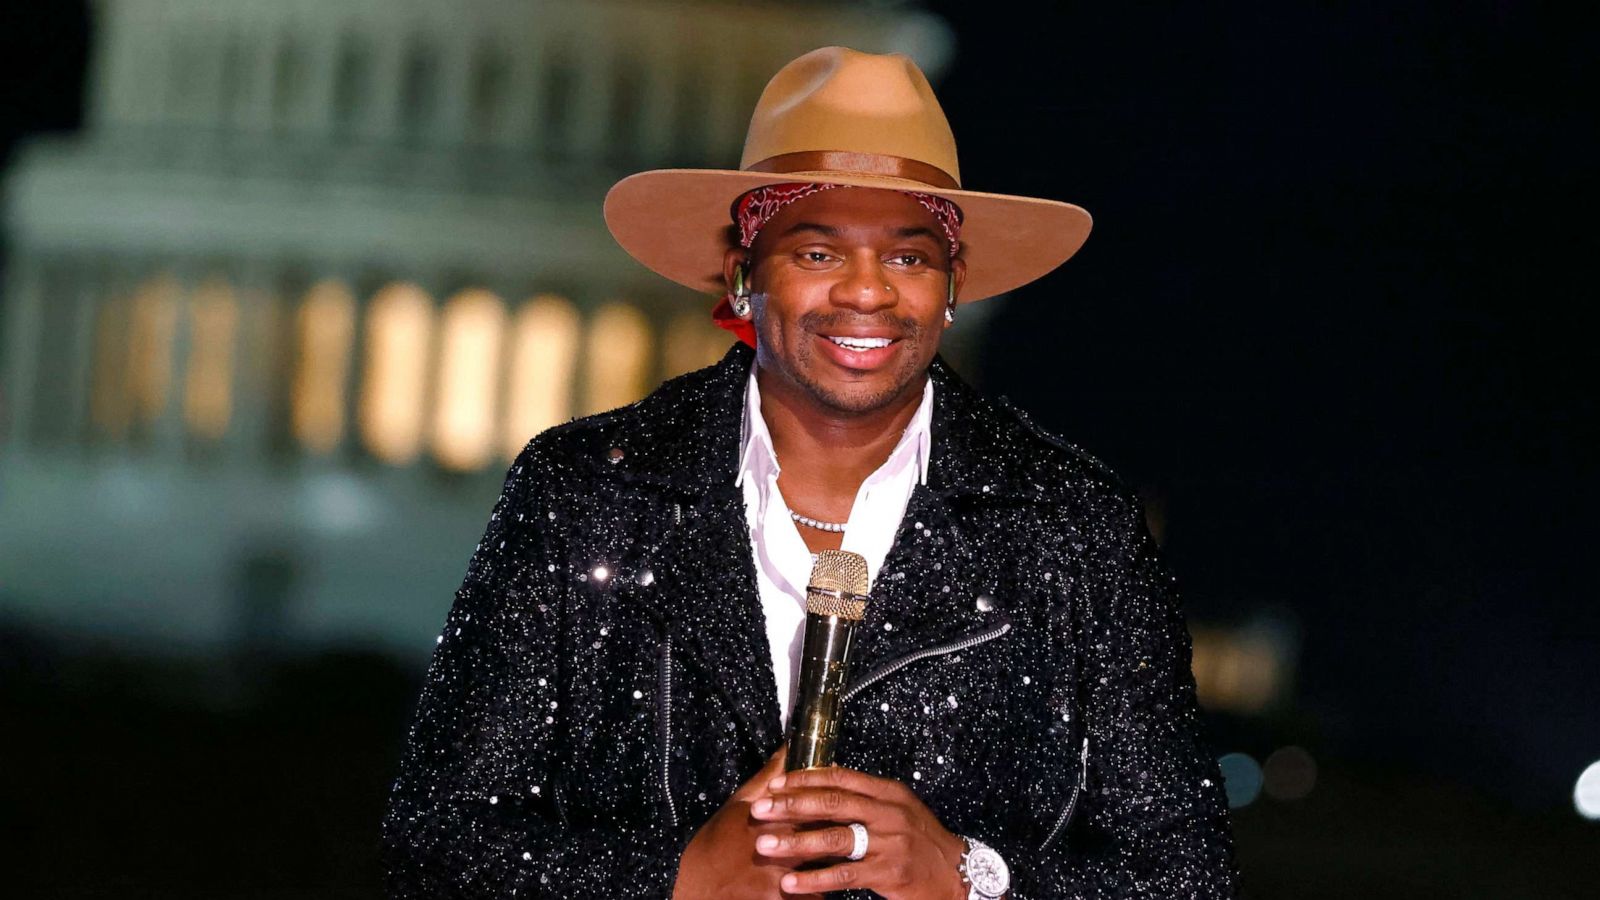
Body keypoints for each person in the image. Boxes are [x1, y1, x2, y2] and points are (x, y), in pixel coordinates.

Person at [382, 46, 1238, 899]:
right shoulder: (588, 490)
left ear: (953, 286)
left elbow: (1187, 874)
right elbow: (436, 841)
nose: (867, 293)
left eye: (908, 257)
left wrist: (968, 876)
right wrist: (678, 881)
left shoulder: (1072, 523)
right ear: (743, 276)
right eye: (818, 254)